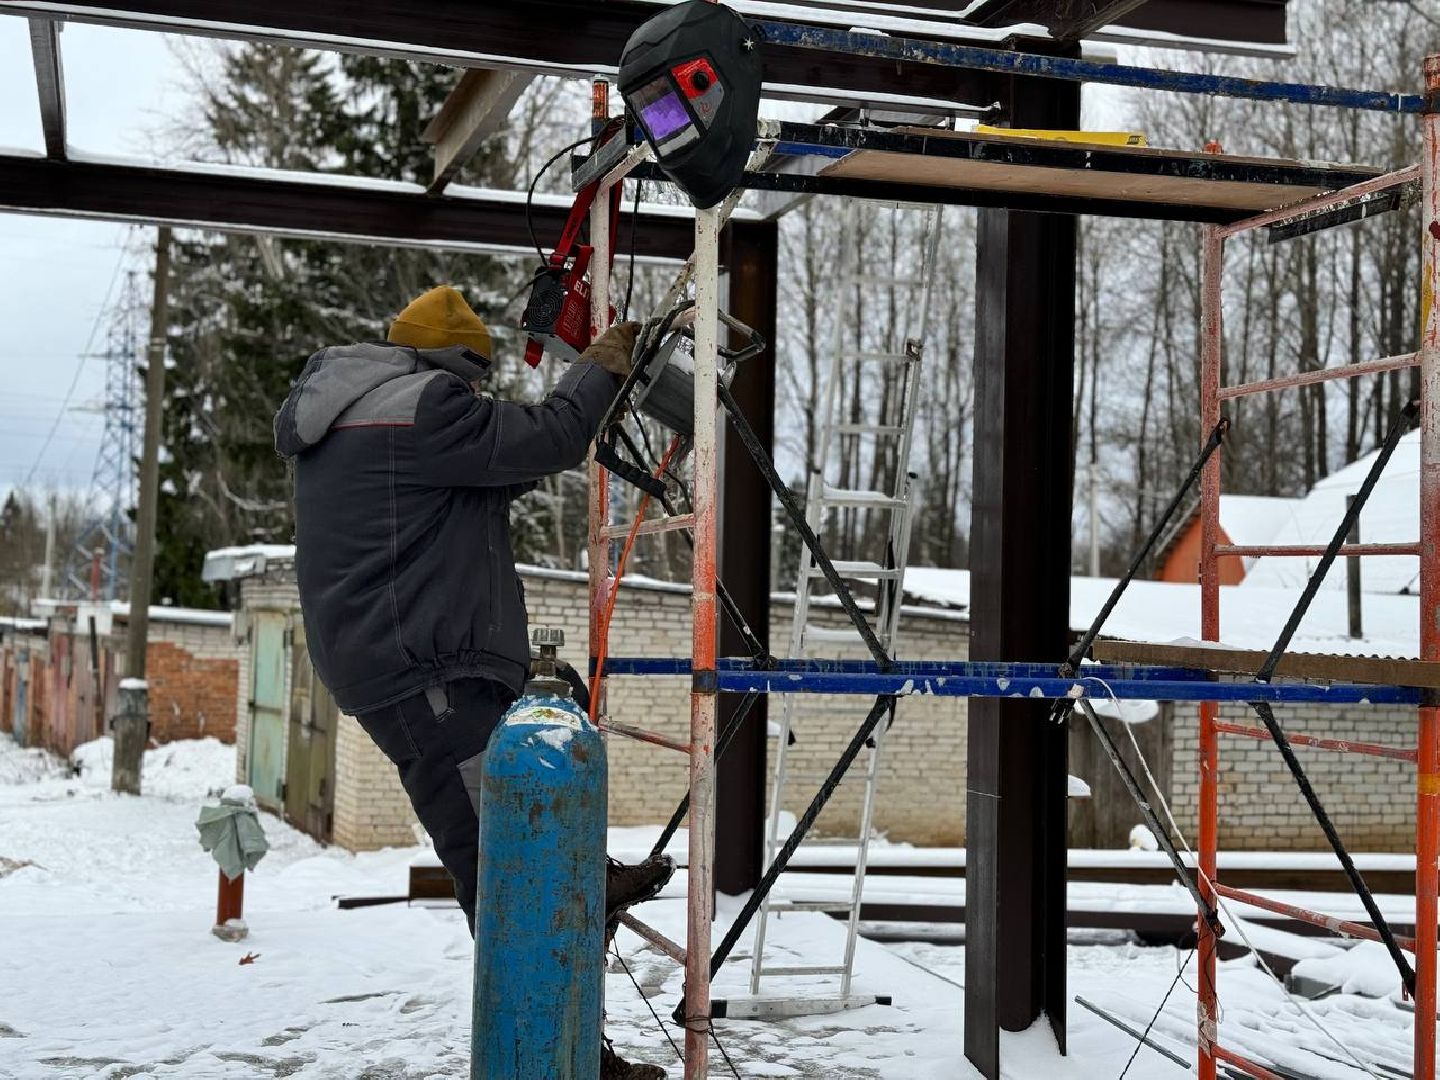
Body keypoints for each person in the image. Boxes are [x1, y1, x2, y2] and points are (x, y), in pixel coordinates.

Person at [276, 285, 671, 1080]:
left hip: (406, 665)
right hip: (428, 674)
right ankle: (555, 1061)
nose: (476, 399)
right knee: (503, 868)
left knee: (514, 817)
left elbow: (486, 474)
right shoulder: (425, 406)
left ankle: (582, 898)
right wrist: (600, 369)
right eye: (476, 386)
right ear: (456, 367)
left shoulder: (359, 411)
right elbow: (551, 438)